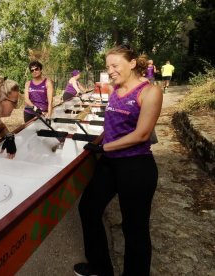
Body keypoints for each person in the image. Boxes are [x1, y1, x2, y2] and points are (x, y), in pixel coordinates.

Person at [75, 45, 163, 276]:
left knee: (134, 229)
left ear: (132, 63)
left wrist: (103, 147)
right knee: (88, 209)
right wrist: (99, 140)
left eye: (115, 65)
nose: (110, 70)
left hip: (136, 166)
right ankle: (100, 268)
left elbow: (142, 134)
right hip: (110, 162)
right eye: (108, 67)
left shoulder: (149, 91)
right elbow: (111, 124)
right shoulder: (115, 88)